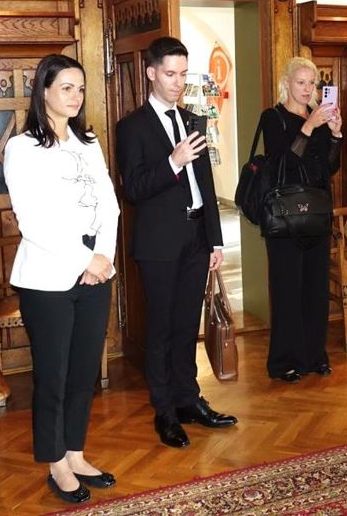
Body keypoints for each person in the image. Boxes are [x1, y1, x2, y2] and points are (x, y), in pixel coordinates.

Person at [4, 54, 120, 503]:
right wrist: (85, 259)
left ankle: (76, 452)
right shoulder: (23, 148)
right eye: (66, 88)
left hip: (96, 269)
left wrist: (104, 256)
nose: (75, 96)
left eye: (81, 88)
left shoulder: (88, 142)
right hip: (48, 276)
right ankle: (55, 462)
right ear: (44, 91)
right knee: (53, 375)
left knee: (84, 371)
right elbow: (32, 220)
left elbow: (109, 205)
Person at [115, 36, 237, 448]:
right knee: (162, 329)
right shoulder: (132, 127)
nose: (178, 82)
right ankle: (165, 411)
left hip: (196, 237)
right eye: (170, 74)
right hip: (159, 244)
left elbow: (206, 183)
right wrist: (173, 161)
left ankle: (189, 400)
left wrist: (215, 239)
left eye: (183, 74)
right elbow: (133, 188)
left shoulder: (192, 119)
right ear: (151, 72)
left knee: (187, 326)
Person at [260, 57, 342, 382]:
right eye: (301, 82)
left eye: (312, 83)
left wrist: (334, 135)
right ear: (287, 83)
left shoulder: (319, 118)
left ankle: (314, 355)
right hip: (285, 219)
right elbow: (283, 165)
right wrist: (308, 127)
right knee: (287, 291)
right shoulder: (274, 117)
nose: (307, 89)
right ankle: (285, 361)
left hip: (316, 215)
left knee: (315, 290)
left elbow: (329, 167)